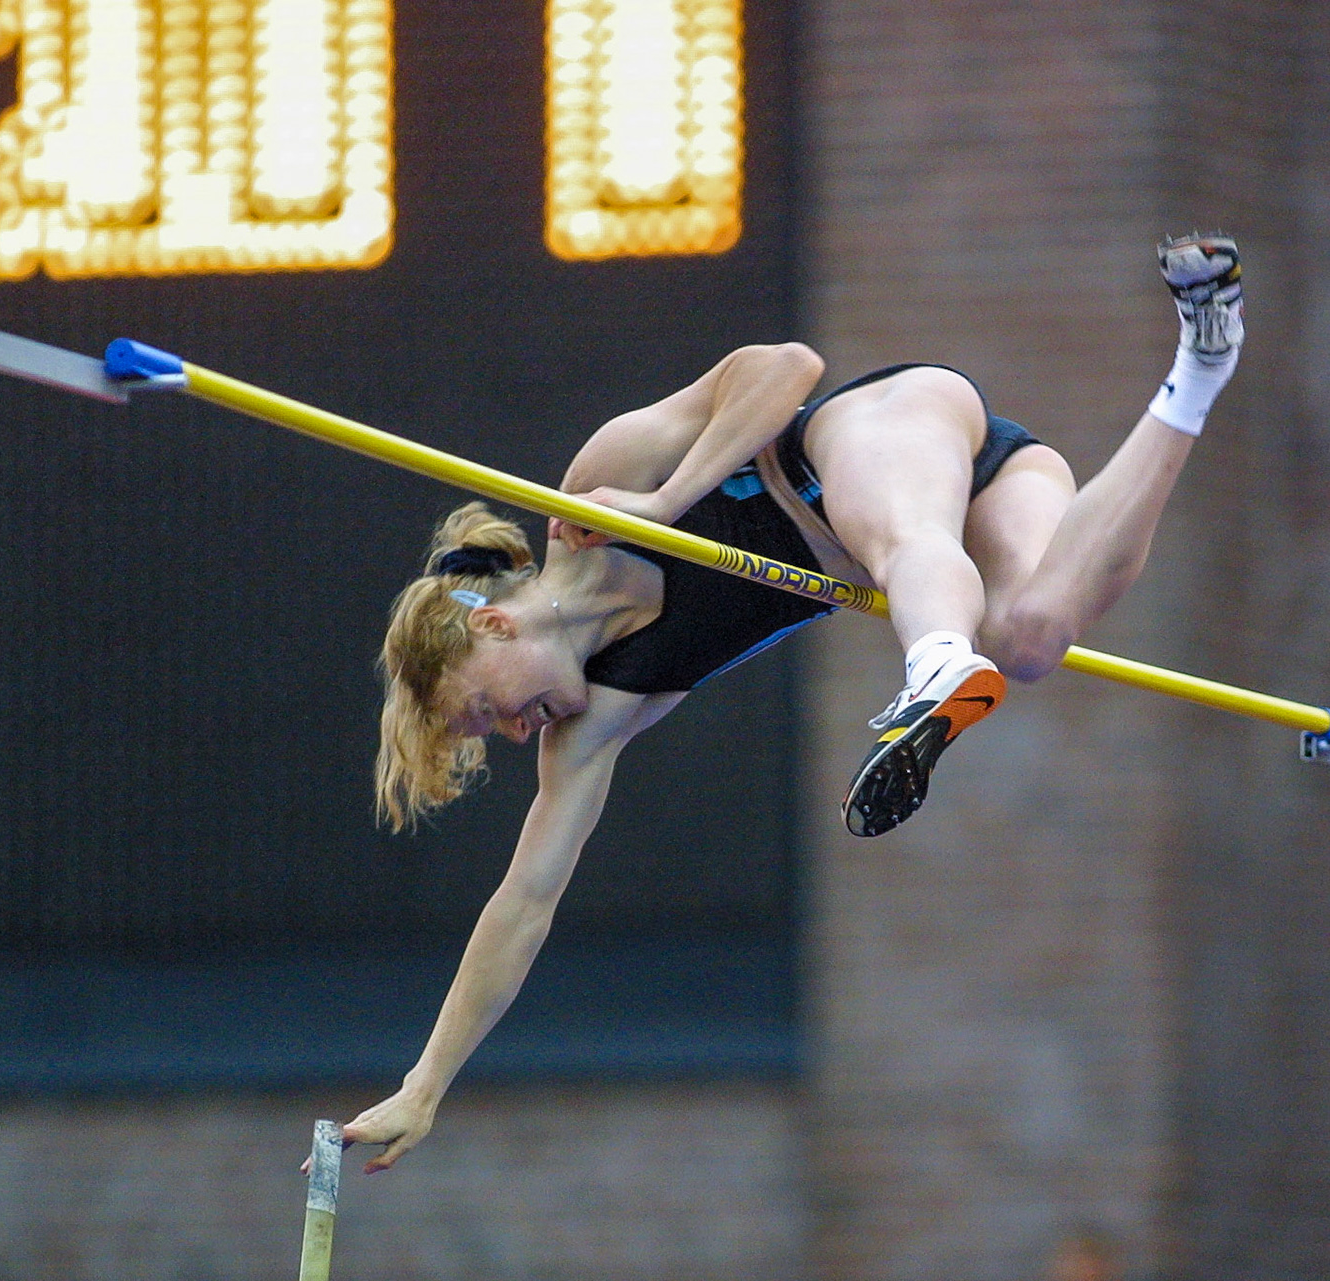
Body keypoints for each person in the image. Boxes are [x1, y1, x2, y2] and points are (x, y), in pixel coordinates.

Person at [344, 235, 1244, 1172]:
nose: (512, 729)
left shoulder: (598, 490)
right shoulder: (596, 718)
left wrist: (668, 504)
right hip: (990, 485)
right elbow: (523, 902)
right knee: (1031, 634)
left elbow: (787, 369)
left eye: (483, 711)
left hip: (876, 430)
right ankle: (1200, 363)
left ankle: (934, 664)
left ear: (490, 625)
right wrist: (426, 1084)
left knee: (903, 541)